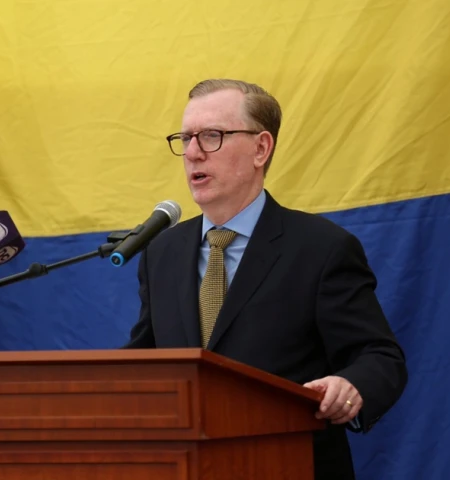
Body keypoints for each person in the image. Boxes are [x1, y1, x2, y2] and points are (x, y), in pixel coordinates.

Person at [124, 78, 407, 479]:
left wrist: (351, 385)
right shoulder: (162, 252)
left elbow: (380, 357)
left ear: (261, 148)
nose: (191, 153)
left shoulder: (322, 248)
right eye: (185, 138)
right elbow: (147, 357)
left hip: (289, 464)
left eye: (211, 136)